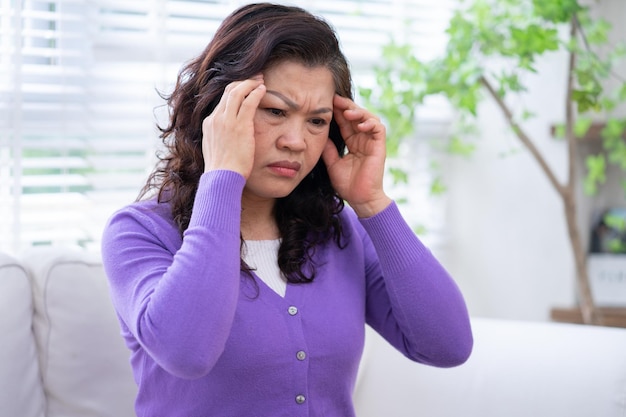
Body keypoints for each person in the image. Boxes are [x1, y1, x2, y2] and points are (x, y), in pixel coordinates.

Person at [101, 3, 473, 416]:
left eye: (317, 121)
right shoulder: (138, 232)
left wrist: (372, 204)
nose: (296, 141)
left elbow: (448, 347)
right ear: (218, 111)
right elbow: (187, 352)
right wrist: (223, 176)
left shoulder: (338, 232)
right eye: (275, 111)